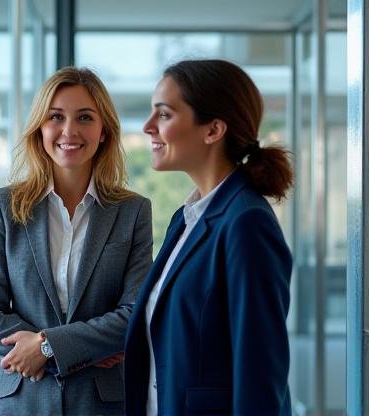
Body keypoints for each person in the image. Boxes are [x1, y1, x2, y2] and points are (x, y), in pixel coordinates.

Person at [0, 67, 153, 415]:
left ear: (103, 132)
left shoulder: (133, 212)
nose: (69, 130)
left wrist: (45, 347)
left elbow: (133, 315)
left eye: (85, 117)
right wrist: (82, 349)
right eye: (56, 117)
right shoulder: (4, 206)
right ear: (40, 127)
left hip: (101, 404)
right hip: (22, 396)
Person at [124, 59, 293, 415]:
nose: (148, 127)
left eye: (165, 115)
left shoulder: (246, 224)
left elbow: (260, 372)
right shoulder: (185, 219)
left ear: (213, 129)